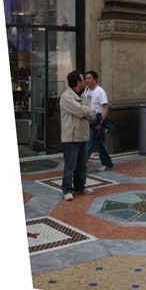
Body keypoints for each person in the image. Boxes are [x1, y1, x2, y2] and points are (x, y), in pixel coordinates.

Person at [60, 70, 95, 201]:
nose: (85, 81)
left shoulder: (83, 95)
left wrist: (86, 111)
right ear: (77, 82)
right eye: (83, 79)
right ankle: (67, 190)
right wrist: (86, 112)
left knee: (82, 164)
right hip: (71, 136)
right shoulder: (66, 96)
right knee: (70, 165)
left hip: (83, 134)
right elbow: (81, 111)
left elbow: (90, 111)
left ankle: (80, 187)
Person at [83, 70, 114, 171]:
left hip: (96, 120)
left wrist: (100, 122)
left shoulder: (100, 92)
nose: (87, 80)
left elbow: (105, 108)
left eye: (89, 78)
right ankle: (108, 163)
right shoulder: (86, 89)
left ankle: (81, 167)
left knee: (89, 143)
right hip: (88, 119)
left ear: (95, 80)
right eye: (86, 78)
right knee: (100, 143)